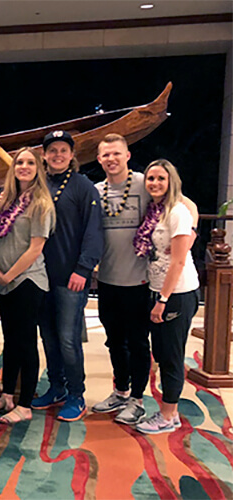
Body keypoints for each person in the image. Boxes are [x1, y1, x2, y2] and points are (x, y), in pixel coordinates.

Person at [32, 130, 103, 422]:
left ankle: (76, 394)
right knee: (48, 337)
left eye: (63, 150)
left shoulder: (83, 187)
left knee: (68, 339)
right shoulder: (38, 184)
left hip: (70, 277)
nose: (58, 155)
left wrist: (83, 269)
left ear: (72, 155)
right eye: (52, 150)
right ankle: (56, 387)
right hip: (39, 276)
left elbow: (94, 231)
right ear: (44, 155)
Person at [0, 148, 55, 424]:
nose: (24, 167)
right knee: (10, 340)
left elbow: (36, 248)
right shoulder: (7, 201)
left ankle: (25, 404)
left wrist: (9, 275)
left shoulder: (41, 204)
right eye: (19, 162)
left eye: (30, 163)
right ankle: (7, 395)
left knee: (26, 342)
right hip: (3, 280)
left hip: (27, 281)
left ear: (39, 168)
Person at [134, 160, 200, 435]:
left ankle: (169, 415)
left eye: (161, 178)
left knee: (172, 356)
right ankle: (167, 410)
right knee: (161, 353)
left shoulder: (177, 212)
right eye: (151, 178)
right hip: (157, 288)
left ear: (172, 181)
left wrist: (162, 300)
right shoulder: (155, 211)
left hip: (176, 293)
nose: (155, 183)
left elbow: (178, 262)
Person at [91, 134, 152, 425]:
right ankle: (121, 391)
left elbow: (182, 202)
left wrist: (189, 228)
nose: (111, 159)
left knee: (138, 342)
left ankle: (138, 400)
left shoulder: (144, 183)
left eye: (116, 153)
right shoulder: (96, 190)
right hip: (107, 279)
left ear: (127, 155)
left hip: (139, 280)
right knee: (114, 341)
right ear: (99, 159)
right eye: (106, 155)